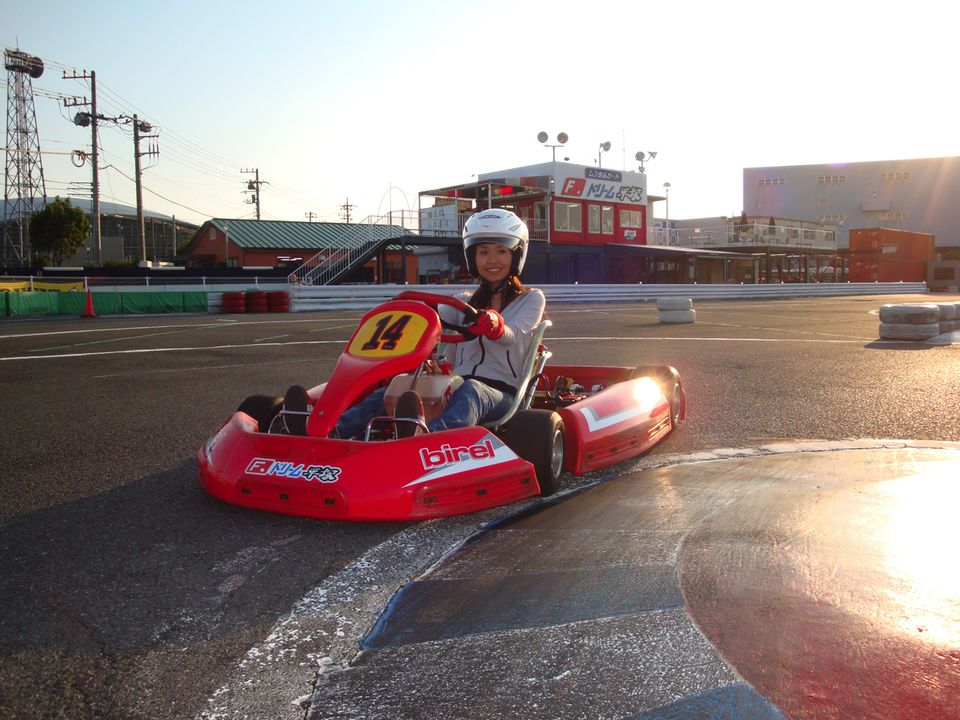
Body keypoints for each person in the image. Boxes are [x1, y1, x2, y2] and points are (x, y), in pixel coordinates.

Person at [334, 208, 545, 438]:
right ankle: (335, 430)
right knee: (399, 385)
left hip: (502, 394)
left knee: (472, 391)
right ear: (472, 257)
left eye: (501, 251)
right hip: (455, 383)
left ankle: (426, 439)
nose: (492, 260)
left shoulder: (531, 299)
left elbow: (512, 334)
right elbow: (432, 315)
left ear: (516, 254)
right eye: (484, 252)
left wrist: (494, 323)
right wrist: (407, 310)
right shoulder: (463, 302)